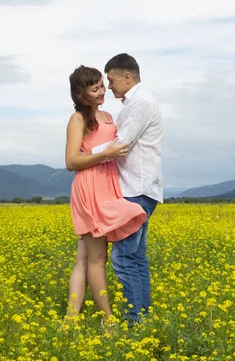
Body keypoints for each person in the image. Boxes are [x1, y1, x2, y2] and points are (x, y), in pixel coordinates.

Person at [64, 65, 148, 327]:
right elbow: (70, 161)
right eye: (95, 88)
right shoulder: (77, 119)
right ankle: (108, 318)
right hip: (89, 188)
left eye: (102, 85)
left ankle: (70, 318)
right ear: (81, 93)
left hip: (108, 186)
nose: (102, 91)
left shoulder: (110, 115)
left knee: (83, 259)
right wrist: (105, 155)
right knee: (97, 260)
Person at [95, 53, 163, 325]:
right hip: (142, 188)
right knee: (136, 258)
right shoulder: (136, 103)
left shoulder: (141, 103)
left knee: (124, 259)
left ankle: (135, 321)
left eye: (111, 80)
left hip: (135, 189)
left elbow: (120, 144)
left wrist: (84, 152)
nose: (108, 86)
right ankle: (142, 318)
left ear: (127, 76)